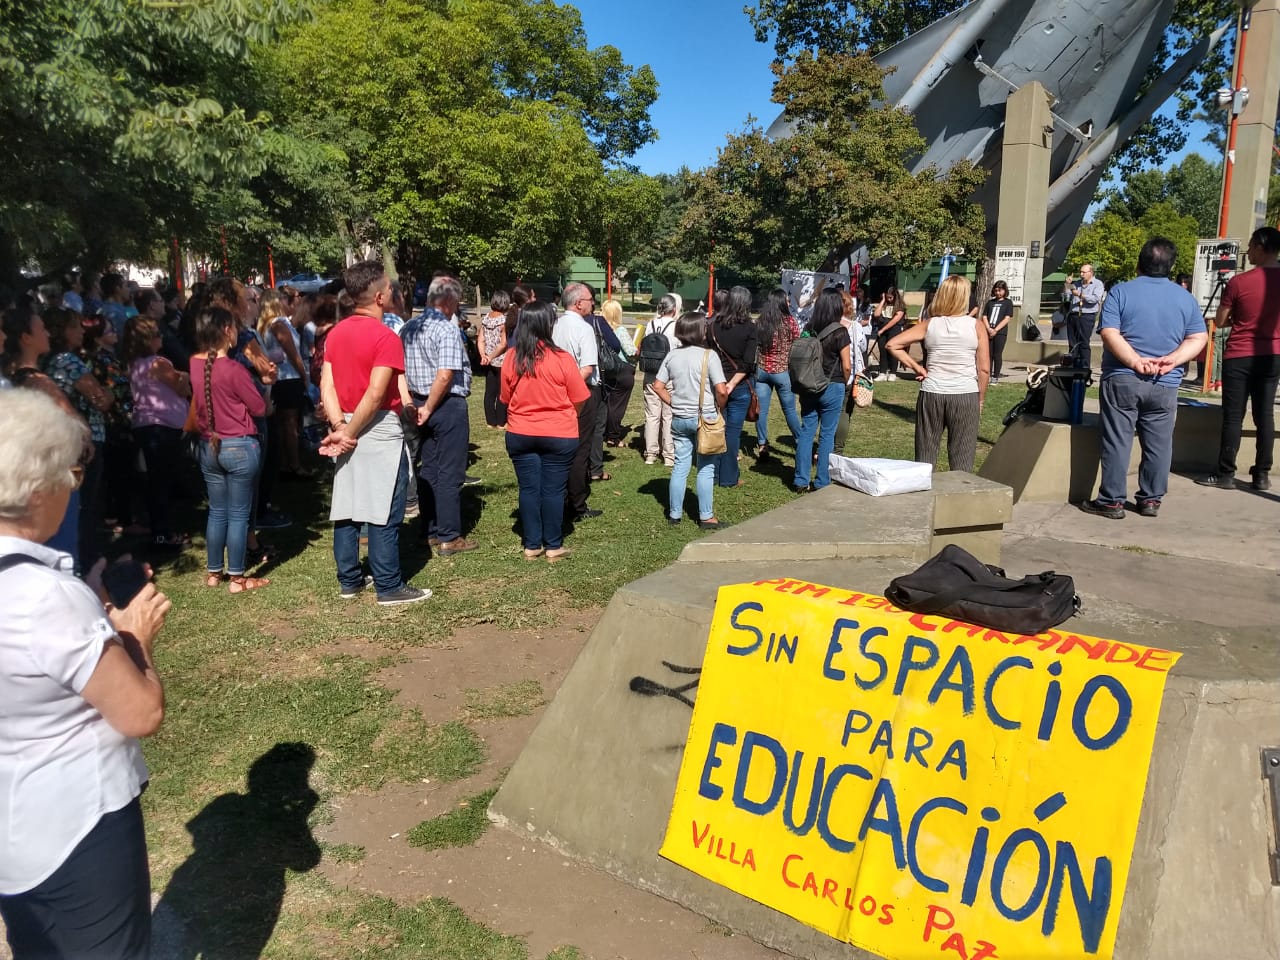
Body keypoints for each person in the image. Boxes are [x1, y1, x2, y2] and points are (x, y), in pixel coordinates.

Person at [0, 388, 169, 959]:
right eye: (69, 476)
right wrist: (133, 636)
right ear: (37, 490)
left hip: (13, 827)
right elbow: (140, 712)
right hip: (79, 824)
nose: (73, 489)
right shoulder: (48, 597)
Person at [321, 261, 430, 604]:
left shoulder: (335, 334)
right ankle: (389, 585)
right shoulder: (386, 337)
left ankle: (350, 580)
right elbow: (375, 393)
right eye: (389, 288)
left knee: (348, 505)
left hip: (345, 423)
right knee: (384, 507)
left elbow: (327, 385)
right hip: (377, 426)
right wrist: (349, 432)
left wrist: (340, 426)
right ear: (380, 297)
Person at [1079, 238, 1207, 519]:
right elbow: (1198, 337)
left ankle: (1111, 501)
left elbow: (1109, 333)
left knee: (1117, 440)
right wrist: (1173, 359)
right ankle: (1151, 499)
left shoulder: (1120, 292)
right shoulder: (1185, 298)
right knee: (1160, 444)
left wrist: (1135, 361)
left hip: (1122, 378)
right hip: (1165, 381)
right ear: (1171, 266)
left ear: (1139, 263)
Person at [500, 301, 589, 561]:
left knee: (528, 489)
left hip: (521, 431)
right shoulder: (562, 358)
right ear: (548, 325)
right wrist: (570, 414)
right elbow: (580, 397)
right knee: (553, 490)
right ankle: (553, 544)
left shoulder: (512, 357)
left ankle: (532, 544)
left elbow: (505, 396)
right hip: (559, 433)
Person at [190, 308, 270, 592]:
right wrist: (267, 386)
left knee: (217, 511)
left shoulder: (194, 364)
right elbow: (259, 407)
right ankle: (237, 577)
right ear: (227, 330)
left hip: (209, 445)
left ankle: (214, 572)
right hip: (239, 445)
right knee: (238, 514)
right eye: (235, 327)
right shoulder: (234, 369)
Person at [1196, 226, 1280, 492]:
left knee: (1233, 416)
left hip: (1240, 354)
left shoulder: (1239, 282)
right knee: (1264, 415)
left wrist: (1237, 318)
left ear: (1261, 248)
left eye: (1251, 247)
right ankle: (1262, 474)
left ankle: (1226, 473)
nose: (1248, 252)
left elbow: (1220, 321)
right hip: (1273, 354)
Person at [402, 275, 476, 556]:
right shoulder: (445, 329)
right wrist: (431, 406)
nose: (458, 307)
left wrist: (416, 405)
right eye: (457, 301)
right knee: (450, 471)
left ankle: (429, 530)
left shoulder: (409, 327)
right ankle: (449, 535)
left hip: (419, 402)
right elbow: (445, 375)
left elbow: (400, 370)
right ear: (448, 300)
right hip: (444, 405)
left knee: (429, 467)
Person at [887, 276, 989, 473]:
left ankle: (924, 490)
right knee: (962, 459)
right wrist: (981, 399)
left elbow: (893, 344)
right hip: (965, 393)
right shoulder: (976, 326)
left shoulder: (930, 324)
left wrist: (917, 368)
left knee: (925, 457)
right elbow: (984, 369)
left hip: (932, 392)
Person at [43, 308, 114, 569]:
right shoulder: (68, 362)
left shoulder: (51, 361)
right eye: (75, 326)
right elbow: (100, 399)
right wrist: (110, 393)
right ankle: (87, 561)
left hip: (70, 439)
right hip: (85, 440)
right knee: (86, 506)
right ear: (62, 331)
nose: (82, 331)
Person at [652, 312, 729, 528]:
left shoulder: (672, 355)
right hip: (705, 417)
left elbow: (658, 386)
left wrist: (673, 403)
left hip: (679, 417)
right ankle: (706, 516)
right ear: (700, 331)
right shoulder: (709, 356)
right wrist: (719, 407)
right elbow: (721, 390)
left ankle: (675, 514)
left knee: (680, 465)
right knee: (706, 468)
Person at [122, 315, 192, 551]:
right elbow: (182, 388)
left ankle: (161, 530)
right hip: (162, 427)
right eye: (156, 334)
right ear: (147, 339)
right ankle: (163, 534)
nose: (161, 337)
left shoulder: (134, 364)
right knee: (161, 482)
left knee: (157, 480)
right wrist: (185, 376)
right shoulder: (158, 363)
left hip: (146, 425)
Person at [793, 289, 852, 491]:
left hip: (808, 385)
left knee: (806, 432)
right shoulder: (840, 332)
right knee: (827, 435)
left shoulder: (808, 328)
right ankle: (822, 480)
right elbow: (846, 365)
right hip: (832, 385)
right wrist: (844, 382)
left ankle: (800, 480)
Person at [553, 283, 602, 521]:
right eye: (591, 299)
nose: (593, 303)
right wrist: (572, 389)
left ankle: (561, 497)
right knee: (580, 448)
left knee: (561, 447)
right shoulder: (583, 328)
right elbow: (587, 368)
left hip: (557, 392)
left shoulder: (555, 325)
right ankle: (577, 504)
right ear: (578, 303)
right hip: (581, 392)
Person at [257, 289, 311, 480]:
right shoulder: (278, 324)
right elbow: (292, 353)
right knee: (291, 424)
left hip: (279, 378)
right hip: (288, 378)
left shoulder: (265, 325)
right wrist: (304, 376)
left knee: (282, 423)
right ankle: (294, 464)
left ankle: (283, 462)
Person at [707, 285, 757, 487]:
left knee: (717, 429)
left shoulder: (713, 326)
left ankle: (714, 474)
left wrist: (722, 384)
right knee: (733, 432)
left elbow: (708, 356)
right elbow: (748, 363)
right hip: (739, 385)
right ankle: (728, 477)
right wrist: (732, 384)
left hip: (717, 383)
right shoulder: (750, 328)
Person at [752, 288, 803, 461]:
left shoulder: (761, 322)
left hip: (762, 370)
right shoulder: (790, 322)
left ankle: (762, 444)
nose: (789, 303)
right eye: (787, 300)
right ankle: (800, 442)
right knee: (790, 411)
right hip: (782, 371)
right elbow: (797, 344)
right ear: (782, 302)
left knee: (761, 411)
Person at [639, 294, 680, 466]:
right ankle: (669, 455)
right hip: (669, 374)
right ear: (674, 309)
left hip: (651, 373)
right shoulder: (676, 326)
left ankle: (650, 453)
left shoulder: (651, 324)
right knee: (669, 414)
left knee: (651, 414)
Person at [600, 298, 637, 448]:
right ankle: (613, 436)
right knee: (618, 405)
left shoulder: (600, 330)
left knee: (608, 403)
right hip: (622, 369)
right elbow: (631, 351)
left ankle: (605, 431)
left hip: (606, 369)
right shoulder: (620, 330)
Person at [478, 289, 510, 429]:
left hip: (489, 362)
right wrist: (492, 356)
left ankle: (490, 421)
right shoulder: (504, 321)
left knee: (489, 392)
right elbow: (503, 344)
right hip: (502, 361)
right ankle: (501, 422)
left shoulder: (486, 319)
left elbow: (480, 340)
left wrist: (484, 356)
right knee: (502, 392)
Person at [1064, 262, 1105, 355]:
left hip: (1087, 316)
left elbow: (1095, 299)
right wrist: (1067, 284)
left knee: (1083, 343)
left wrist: (1079, 294)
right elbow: (1066, 295)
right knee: (1072, 343)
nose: (1081, 274)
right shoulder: (1077, 283)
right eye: (1080, 272)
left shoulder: (1098, 284)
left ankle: (1084, 362)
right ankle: (1073, 361)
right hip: (1073, 315)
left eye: (1083, 272)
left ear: (1091, 272)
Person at [981, 281, 1015, 381]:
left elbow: (1007, 318)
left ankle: (995, 376)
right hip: (989, 331)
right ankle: (987, 375)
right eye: (996, 290)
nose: (998, 293)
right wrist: (988, 329)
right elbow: (984, 316)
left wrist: (995, 330)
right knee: (989, 355)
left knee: (997, 354)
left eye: (1000, 290)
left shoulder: (1008, 302)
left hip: (1000, 332)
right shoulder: (990, 302)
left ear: (1004, 290)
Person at [871, 285, 907, 379]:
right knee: (882, 351)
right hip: (883, 331)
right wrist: (882, 300)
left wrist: (883, 329)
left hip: (894, 330)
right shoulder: (884, 304)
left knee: (892, 351)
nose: (889, 299)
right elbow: (876, 314)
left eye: (890, 297)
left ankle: (893, 372)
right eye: (887, 297)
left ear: (895, 296)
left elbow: (895, 320)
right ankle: (882, 372)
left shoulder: (900, 307)